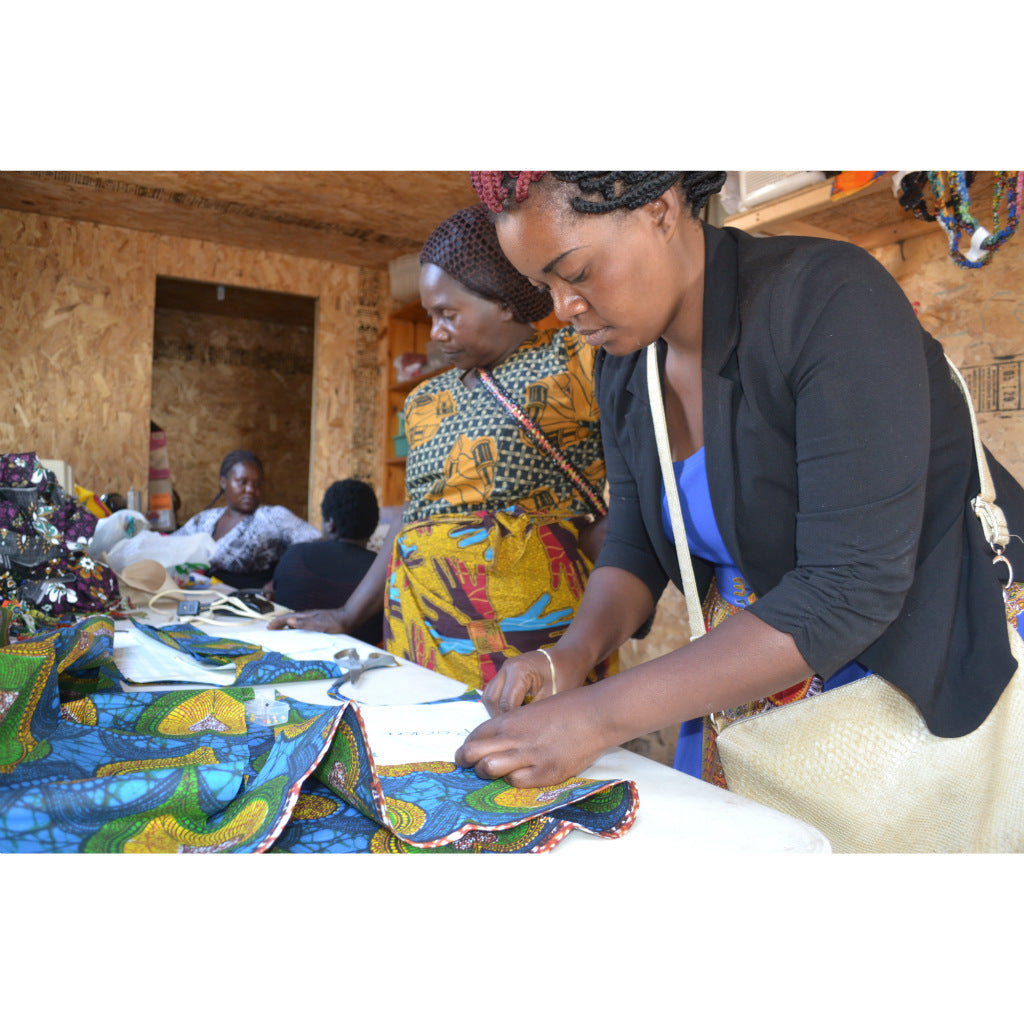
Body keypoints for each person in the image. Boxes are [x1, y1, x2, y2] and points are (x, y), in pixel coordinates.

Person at [453, 170, 1024, 789]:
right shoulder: (625, 368)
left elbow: (847, 587)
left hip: (919, 664)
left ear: (662, 211)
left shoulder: (826, 299)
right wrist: (570, 657)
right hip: (755, 677)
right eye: (544, 286)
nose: (563, 308)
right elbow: (636, 544)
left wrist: (597, 715)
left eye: (578, 272)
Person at [270, 203, 611, 690]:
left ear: (505, 301)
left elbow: (644, 481)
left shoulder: (576, 362)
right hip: (418, 627)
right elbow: (415, 516)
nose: (436, 333)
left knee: (535, 751)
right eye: (430, 316)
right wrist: (347, 615)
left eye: (448, 314)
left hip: (530, 631)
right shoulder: (425, 401)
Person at [173, 449, 319, 589]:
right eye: (242, 482)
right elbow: (171, 544)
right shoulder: (206, 519)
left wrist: (280, 580)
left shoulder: (273, 517)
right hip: (205, 599)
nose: (250, 490)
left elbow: (316, 545)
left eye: (257, 484)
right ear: (223, 482)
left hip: (253, 603)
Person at [267, 478, 384, 645]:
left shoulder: (295, 555)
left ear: (330, 525)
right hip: (361, 664)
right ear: (373, 525)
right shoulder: (383, 574)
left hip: (287, 655)